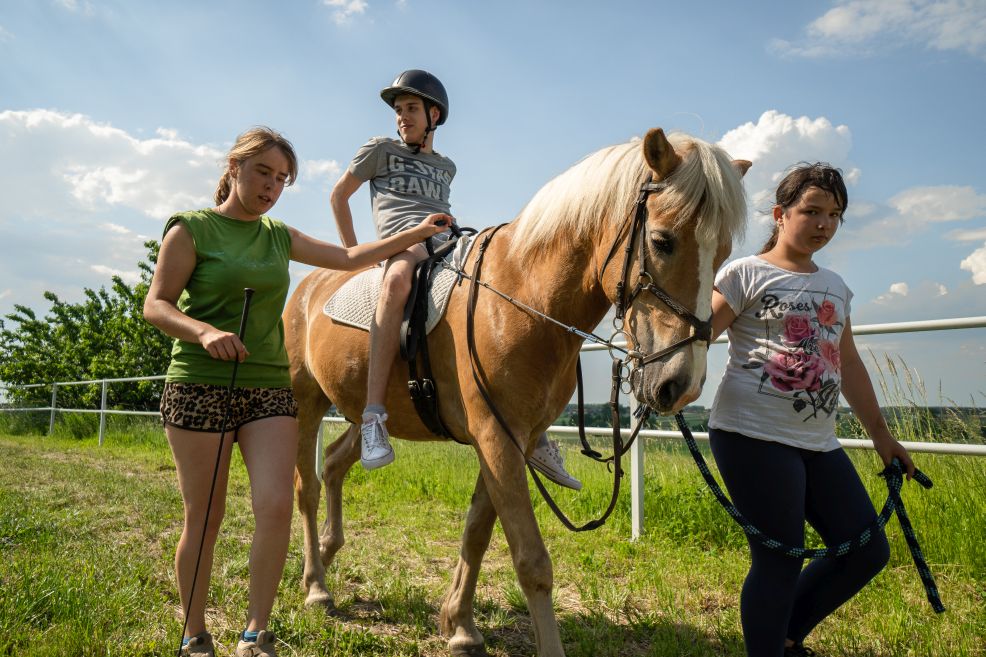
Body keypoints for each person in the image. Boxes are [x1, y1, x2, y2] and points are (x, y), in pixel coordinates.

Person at [143, 126, 449, 657]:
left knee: (278, 504)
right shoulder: (190, 230)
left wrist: (414, 233)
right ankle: (194, 633)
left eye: (282, 178)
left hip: (266, 386)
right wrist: (205, 332)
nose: (272, 186)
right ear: (234, 167)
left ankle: (254, 633)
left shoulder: (278, 235)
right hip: (200, 384)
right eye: (263, 172)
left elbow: (351, 260)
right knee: (207, 516)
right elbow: (157, 305)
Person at [330, 69, 581, 489]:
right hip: (402, 242)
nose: (401, 118)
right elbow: (339, 196)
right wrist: (356, 255)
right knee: (394, 285)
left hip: (448, 240)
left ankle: (535, 434)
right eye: (398, 110)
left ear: (434, 115)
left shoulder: (446, 166)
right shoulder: (379, 149)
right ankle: (373, 416)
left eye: (410, 109)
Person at [707, 163, 916, 657]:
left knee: (866, 550)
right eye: (812, 211)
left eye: (834, 215)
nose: (823, 224)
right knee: (778, 561)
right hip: (750, 434)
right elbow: (698, 336)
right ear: (780, 214)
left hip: (818, 441)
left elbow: (848, 363)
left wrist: (882, 437)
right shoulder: (744, 274)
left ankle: (781, 638)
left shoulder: (837, 287)